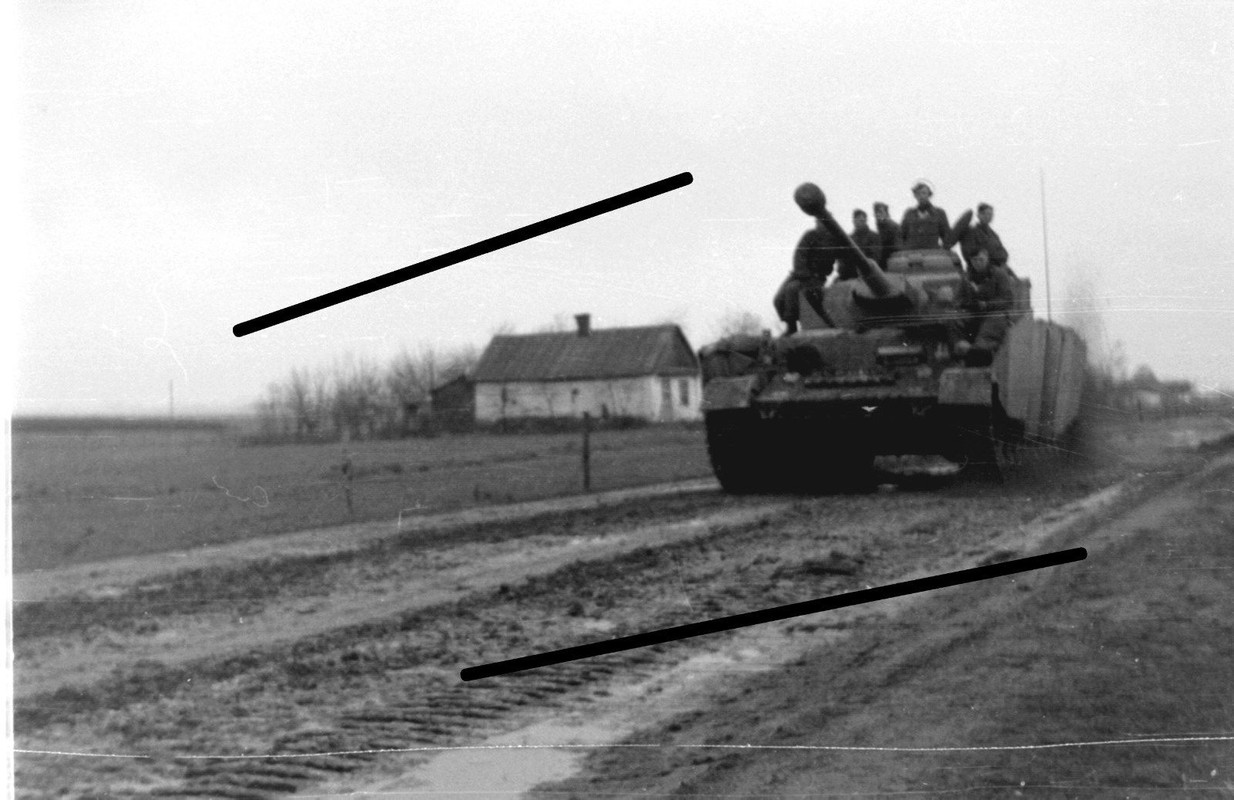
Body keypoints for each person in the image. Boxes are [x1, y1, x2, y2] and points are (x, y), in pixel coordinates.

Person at [773, 184, 846, 333]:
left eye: (822, 221)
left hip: (817, 278)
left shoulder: (835, 240)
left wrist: (843, 274)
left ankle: (791, 326)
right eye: (818, 221)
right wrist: (803, 274)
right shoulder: (810, 236)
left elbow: (845, 257)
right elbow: (799, 255)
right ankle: (791, 320)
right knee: (778, 299)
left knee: (793, 290)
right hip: (801, 275)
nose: (820, 224)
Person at [956, 250, 1016, 366]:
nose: (978, 263)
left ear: (987, 259)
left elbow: (1008, 300)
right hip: (974, 313)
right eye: (974, 260)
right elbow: (958, 299)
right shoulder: (967, 277)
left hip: (995, 314)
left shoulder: (999, 275)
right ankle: (959, 350)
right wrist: (967, 304)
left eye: (981, 259)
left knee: (988, 332)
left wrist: (987, 304)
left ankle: (978, 353)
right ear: (970, 261)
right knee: (954, 319)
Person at [899, 181, 951, 250]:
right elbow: (901, 236)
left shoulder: (939, 213)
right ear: (915, 196)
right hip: (911, 255)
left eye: (923, 193)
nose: (921, 196)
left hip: (932, 255)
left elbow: (946, 236)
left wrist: (945, 250)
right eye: (918, 193)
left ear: (929, 194)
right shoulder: (909, 214)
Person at [960, 203, 1010, 270]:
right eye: (985, 214)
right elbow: (969, 253)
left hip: (997, 267)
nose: (988, 216)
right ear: (979, 215)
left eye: (990, 214)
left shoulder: (993, 234)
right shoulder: (971, 232)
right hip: (980, 270)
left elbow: (1003, 252)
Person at [840, 209, 880, 280]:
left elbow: (875, 257)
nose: (860, 223)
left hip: (870, 276)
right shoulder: (849, 239)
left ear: (865, 221)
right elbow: (843, 259)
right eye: (857, 220)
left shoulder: (874, 237)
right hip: (851, 277)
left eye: (862, 221)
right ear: (854, 221)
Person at [873, 202, 900, 269]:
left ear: (886, 213)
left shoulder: (890, 225)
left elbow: (887, 246)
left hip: (893, 258)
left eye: (880, 212)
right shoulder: (881, 225)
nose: (878, 214)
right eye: (876, 212)